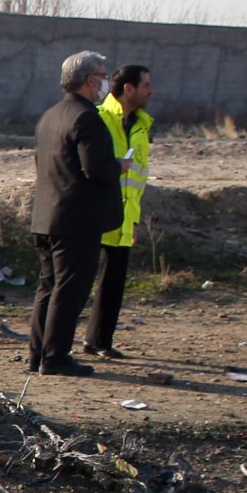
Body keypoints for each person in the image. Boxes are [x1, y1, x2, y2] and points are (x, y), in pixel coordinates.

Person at [26, 50, 124, 378]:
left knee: (49, 287)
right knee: (70, 289)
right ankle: (55, 358)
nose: (106, 81)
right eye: (102, 75)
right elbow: (95, 168)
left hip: (46, 215)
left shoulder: (51, 116)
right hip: (77, 218)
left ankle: (37, 353)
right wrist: (119, 166)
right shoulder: (85, 117)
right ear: (88, 79)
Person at [82, 64, 155, 361]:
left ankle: (100, 341)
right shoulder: (97, 118)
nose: (151, 91)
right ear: (129, 88)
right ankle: (54, 344)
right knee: (78, 282)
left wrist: (134, 219)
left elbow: (137, 179)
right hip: (94, 214)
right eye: (146, 85)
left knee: (113, 283)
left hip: (123, 216)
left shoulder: (140, 125)